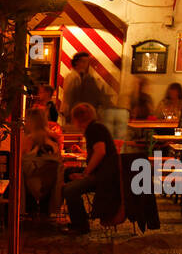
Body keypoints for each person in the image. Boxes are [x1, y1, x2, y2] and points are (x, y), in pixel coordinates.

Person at [60, 102, 121, 235]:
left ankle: (81, 225)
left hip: (104, 175)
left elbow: (100, 151)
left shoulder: (93, 129)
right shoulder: (96, 128)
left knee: (69, 190)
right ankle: (74, 216)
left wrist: (85, 174)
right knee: (67, 172)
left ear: (76, 119)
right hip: (104, 172)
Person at [22, 107, 62, 219]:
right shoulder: (54, 138)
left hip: (31, 180)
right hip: (50, 182)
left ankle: (30, 211)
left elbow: (22, 159)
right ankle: (45, 214)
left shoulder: (28, 139)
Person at [62, 51, 111, 124]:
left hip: (83, 113)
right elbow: (68, 96)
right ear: (76, 62)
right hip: (74, 112)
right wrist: (68, 112)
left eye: (87, 62)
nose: (86, 64)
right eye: (84, 61)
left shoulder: (86, 76)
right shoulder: (71, 77)